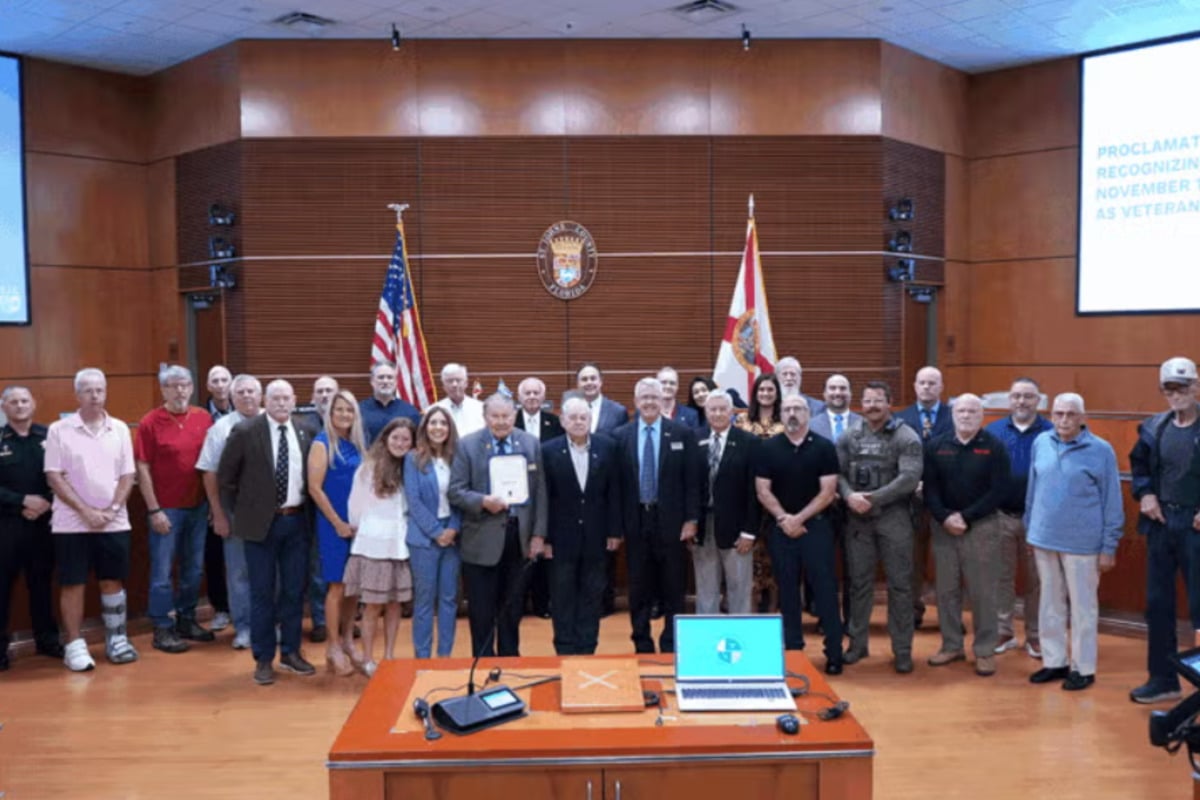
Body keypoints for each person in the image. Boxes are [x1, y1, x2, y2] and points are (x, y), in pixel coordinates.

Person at [218, 379, 316, 686]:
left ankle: (290, 652)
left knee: (292, 592)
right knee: (261, 593)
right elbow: (226, 479)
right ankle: (263, 658)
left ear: (294, 400)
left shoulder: (306, 430)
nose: (281, 403)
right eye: (274, 398)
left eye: (286, 398)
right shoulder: (246, 432)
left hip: (297, 523)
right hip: (260, 527)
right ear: (265, 400)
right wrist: (246, 512)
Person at [1026, 393, 1123, 692]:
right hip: (1044, 539)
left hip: (1083, 544)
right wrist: (1031, 528)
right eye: (1058, 414)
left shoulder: (1101, 450)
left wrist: (1109, 546)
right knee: (1049, 604)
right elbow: (1033, 488)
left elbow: (1112, 501)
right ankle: (1055, 661)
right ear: (1051, 415)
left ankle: (1084, 667)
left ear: (1083, 418)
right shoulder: (1041, 442)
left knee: (1083, 608)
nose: (1064, 420)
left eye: (1070, 414)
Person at [44, 368, 138, 671]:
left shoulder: (121, 428)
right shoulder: (59, 429)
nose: (94, 395)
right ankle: (73, 644)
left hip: (114, 521)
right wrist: (85, 511)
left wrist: (110, 510)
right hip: (71, 524)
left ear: (105, 392)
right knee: (73, 582)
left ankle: (117, 639)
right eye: (88, 390)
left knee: (112, 580)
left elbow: (128, 474)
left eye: (99, 389)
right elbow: (54, 476)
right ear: (77, 395)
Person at [449, 393, 548, 656]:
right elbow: (456, 491)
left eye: (506, 416)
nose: (501, 422)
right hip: (481, 540)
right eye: (495, 416)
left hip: (519, 538)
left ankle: (510, 662)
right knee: (481, 612)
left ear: (514, 416)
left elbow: (540, 493)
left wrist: (538, 535)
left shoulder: (530, 443)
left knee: (512, 609)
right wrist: (483, 501)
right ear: (485, 417)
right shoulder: (467, 445)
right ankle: (482, 665)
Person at [837, 381, 923, 673]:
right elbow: (836, 473)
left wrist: (873, 499)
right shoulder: (850, 435)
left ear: (890, 403)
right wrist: (849, 496)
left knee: (900, 586)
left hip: (894, 518)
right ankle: (857, 645)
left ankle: (902, 650)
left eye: (878, 400)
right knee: (859, 585)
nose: (872, 405)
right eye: (868, 400)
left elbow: (909, 478)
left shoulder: (905, 436)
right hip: (858, 520)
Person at [922, 393, 1010, 677]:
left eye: (973, 411)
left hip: (981, 527)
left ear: (981, 415)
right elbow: (930, 489)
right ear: (953, 414)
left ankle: (984, 650)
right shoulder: (936, 446)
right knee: (946, 590)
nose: (966, 416)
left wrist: (965, 516)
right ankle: (951, 645)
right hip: (944, 527)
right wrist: (945, 516)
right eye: (961, 411)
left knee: (983, 592)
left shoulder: (994, 447)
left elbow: (998, 491)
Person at [755, 393, 843, 674]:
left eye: (798, 409)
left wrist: (799, 519)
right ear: (781, 414)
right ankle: (794, 651)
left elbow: (828, 491)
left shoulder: (824, 447)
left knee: (826, 591)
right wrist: (784, 518)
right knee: (788, 592)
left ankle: (834, 653)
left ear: (808, 414)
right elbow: (762, 490)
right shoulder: (768, 448)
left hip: (816, 527)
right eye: (788, 409)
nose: (793, 413)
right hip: (781, 530)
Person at [1129, 357, 1200, 704]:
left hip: (1195, 528)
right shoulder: (1154, 427)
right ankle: (1162, 679)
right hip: (1161, 525)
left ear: (1196, 387)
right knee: (1158, 604)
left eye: (1183, 387)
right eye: (1169, 389)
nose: (1177, 395)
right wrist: (1145, 494)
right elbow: (1139, 465)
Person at [613, 378, 700, 653]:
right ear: (636, 402)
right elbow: (615, 487)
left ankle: (671, 641)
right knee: (638, 586)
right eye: (644, 397)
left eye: (654, 397)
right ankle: (641, 640)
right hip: (636, 520)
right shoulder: (620, 436)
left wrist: (691, 519)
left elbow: (692, 482)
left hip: (672, 523)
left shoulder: (682, 433)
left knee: (674, 585)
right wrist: (616, 527)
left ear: (663, 400)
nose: (649, 402)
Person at [135, 365, 215, 654]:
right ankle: (162, 627)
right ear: (163, 390)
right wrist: (154, 509)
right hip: (166, 509)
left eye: (184, 384)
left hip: (198, 506)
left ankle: (186, 619)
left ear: (192, 388)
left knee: (193, 570)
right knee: (162, 572)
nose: (180, 390)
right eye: (173, 385)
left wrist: (212, 503)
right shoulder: (150, 422)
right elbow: (141, 467)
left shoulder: (203, 418)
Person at [542, 397, 621, 654]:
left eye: (583, 417)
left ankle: (588, 648)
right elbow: (544, 498)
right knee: (562, 597)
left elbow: (614, 493)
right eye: (572, 417)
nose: (578, 422)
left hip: (597, 538)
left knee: (592, 596)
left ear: (590, 420)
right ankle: (564, 648)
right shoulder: (548, 450)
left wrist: (614, 530)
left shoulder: (608, 447)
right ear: (562, 421)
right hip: (560, 540)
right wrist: (544, 538)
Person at [985, 377, 1053, 660]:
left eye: (1028, 396)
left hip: (1039, 519)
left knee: (1038, 579)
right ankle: (1004, 630)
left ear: (1038, 400)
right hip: (1001, 515)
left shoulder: (1051, 431)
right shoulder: (993, 431)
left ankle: (1035, 635)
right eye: (1016, 396)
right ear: (1009, 400)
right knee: (1002, 576)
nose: (1022, 401)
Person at [196, 373, 262, 651]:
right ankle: (244, 628)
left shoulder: (276, 422)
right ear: (232, 398)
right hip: (233, 510)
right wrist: (218, 513)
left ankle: (270, 625)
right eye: (241, 392)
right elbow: (209, 473)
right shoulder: (220, 428)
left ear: (261, 396)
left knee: (273, 572)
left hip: (272, 511)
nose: (247, 396)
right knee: (239, 572)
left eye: (251, 391)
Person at [345, 418, 416, 676]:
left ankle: (389, 655)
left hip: (399, 546)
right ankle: (367, 658)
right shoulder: (369, 467)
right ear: (385, 438)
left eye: (406, 439)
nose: (400, 443)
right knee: (372, 605)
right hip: (373, 544)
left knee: (395, 604)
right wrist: (360, 531)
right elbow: (355, 506)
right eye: (395, 438)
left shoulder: (412, 467)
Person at [0, 386, 62, 670]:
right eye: (13, 402)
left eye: (25, 400)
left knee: (41, 584)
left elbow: (64, 476)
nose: (20, 405)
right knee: (3, 588)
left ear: (33, 403)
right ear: (4, 407)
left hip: (43, 523)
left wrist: (44, 503)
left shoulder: (49, 436)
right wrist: (21, 501)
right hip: (7, 525)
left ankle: (47, 640)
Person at [307, 389, 366, 676]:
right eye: (339, 410)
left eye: (349, 410)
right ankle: (331, 647)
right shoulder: (322, 443)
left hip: (357, 526)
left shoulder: (355, 445)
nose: (344, 415)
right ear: (329, 413)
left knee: (354, 586)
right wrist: (337, 523)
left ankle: (347, 641)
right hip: (334, 526)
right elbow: (315, 488)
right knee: (337, 586)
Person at [896, 365, 954, 630]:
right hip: (911, 500)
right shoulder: (900, 418)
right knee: (913, 559)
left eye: (933, 383)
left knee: (947, 561)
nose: (927, 387)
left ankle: (948, 616)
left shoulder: (955, 416)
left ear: (941, 387)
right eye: (922, 383)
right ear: (915, 386)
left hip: (946, 499)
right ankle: (911, 612)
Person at [693, 391, 759, 616]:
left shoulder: (749, 442)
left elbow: (754, 491)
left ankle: (740, 641)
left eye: (723, 409)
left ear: (732, 412)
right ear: (706, 411)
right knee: (705, 588)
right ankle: (708, 640)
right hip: (703, 527)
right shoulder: (694, 439)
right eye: (713, 409)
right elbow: (688, 486)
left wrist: (750, 531)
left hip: (737, 529)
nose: (718, 413)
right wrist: (690, 522)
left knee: (739, 587)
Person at [404, 407, 463, 659]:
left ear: (449, 428)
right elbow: (413, 500)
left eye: (443, 423)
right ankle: (423, 657)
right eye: (433, 422)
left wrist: (452, 528)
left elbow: (462, 495)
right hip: (424, 538)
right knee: (425, 602)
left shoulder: (458, 458)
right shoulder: (412, 458)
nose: (438, 427)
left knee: (449, 601)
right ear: (425, 427)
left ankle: (445, 657)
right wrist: (437, 532)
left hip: (453, 536)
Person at [514, 376, 562, 618]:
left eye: (536, 393)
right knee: (519, 552)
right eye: (527, 393)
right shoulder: (511, 422)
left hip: (548, 495)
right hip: (518, 497)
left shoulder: (555, 423)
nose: (532, 397)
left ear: (543, 397)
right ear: (519, 397)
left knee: (544, 551)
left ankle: (543, 604)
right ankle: (519, 603)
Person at [738, 372, 785, 612]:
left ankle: (774, 612)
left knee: (776, 559)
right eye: (762, 390)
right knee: (750, 558)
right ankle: (752, 613)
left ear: (777, 394)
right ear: (755, 394)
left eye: (770, 390)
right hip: (749, 497)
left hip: (780, 498)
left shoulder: (786, 422)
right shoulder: (743, 421)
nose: (766, 394)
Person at [297, 375, 339, 644]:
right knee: (318, 567)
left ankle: (345, 620)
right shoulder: (303, 426)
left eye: (329, 391)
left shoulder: (350, 425)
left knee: (344, 568)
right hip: (314, 508)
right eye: (319, 391)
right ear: (312, 398)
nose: (324, 395)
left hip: (346, 506)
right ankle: (322, 621)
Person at [203, 365, 233, 631]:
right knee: (213, 555)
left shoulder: (246, 414)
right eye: (216, 380)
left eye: (225, 379)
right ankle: (221, 608)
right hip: (209, 497)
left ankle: (241, 607)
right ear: (208, 386)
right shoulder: (200, 417)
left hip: (240, 498)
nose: (221, 384)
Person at [360, 363, 420, 444]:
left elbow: (417, 442)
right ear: (372, 381)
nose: (385, 381)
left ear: (396, 382)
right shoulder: (359, 410)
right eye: (381, 377)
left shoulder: (411, 412)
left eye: (390, 377)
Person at [435, 362, 485, 437]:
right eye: (449, 381)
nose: (454, 384)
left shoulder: (482, 409)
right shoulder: (434, 410)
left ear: (466, 383)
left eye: (458, 380)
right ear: (443, 386)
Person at [577, 363, 628, 434]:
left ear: (600, 381)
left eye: (593, 378)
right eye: (584, 379)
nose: (589, 382)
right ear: (578, 384)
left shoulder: (618, 411)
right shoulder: (569, 411)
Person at [810, 374, 861, 444]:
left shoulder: (864, 425)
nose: (838, 393)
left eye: (843, 388)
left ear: (851, 393)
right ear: (824, 394)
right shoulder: (811, 426)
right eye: (832, 388)